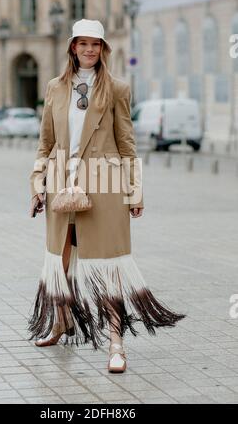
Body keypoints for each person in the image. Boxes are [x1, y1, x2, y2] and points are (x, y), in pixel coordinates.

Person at [28, 19, 186, 373]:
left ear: (103, 49)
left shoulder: (116, 88)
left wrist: (135, 190)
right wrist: (37, 183)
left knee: (108, 264)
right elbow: (45, 142)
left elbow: (127, 143)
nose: (89, 50)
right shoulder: (55, 88)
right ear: (72, 47)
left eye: (95, 44)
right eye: (82, 43)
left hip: (105, 186)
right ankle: (61, 322)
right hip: (60, 185)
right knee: (61, 260)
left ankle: (116, 340)